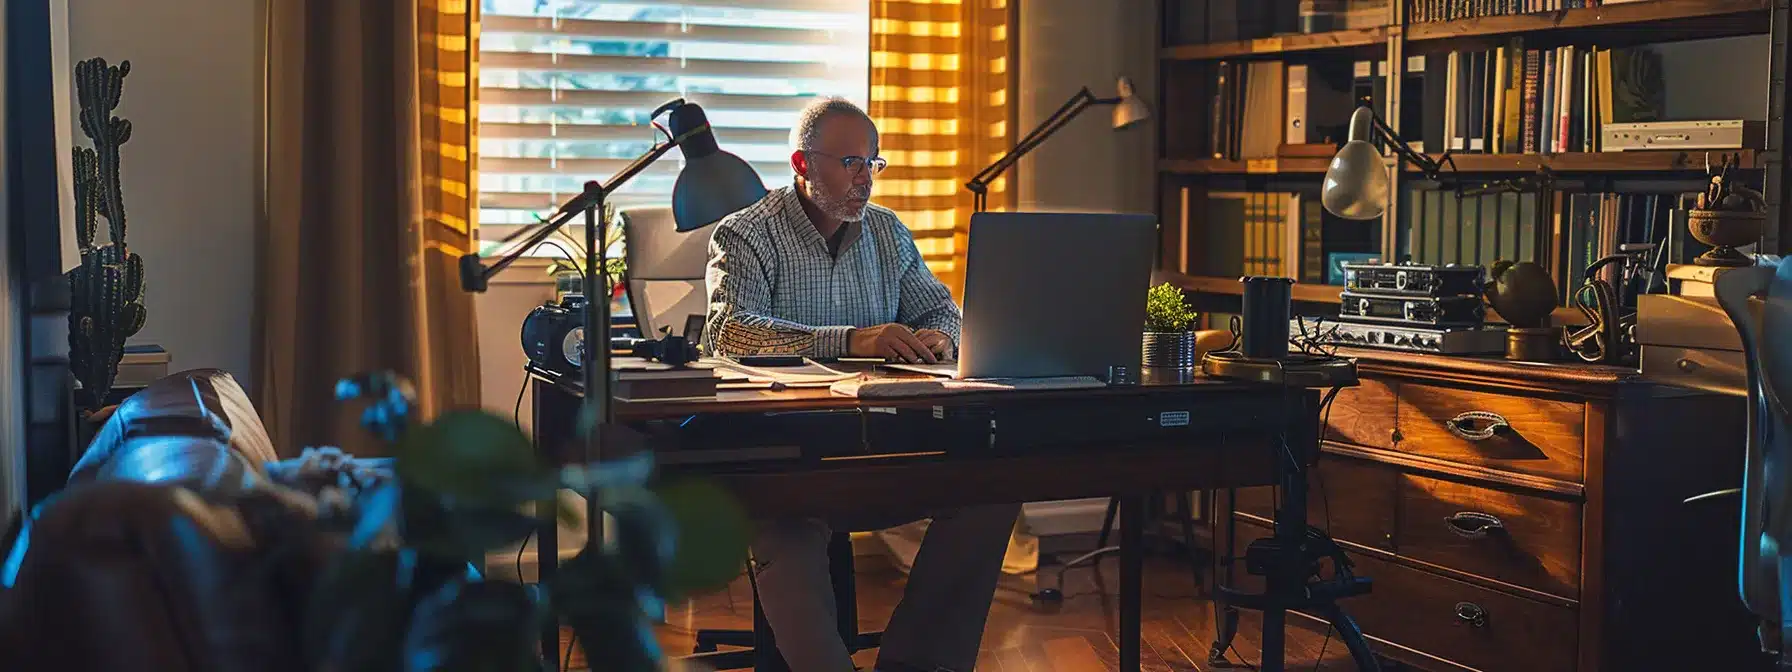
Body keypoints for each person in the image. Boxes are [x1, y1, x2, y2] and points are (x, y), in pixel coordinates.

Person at [702, 96, 1021, 672]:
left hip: (882, 447)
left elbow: (945, 313)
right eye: (850, 163)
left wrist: (939, 341)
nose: (865, 180)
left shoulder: (888, 233)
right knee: (784, 526)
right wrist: (851, 340)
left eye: (873, 163)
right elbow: (730, 332)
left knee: (990, 494)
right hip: (790, 455)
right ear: (802, 164)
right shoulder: (745, 234)